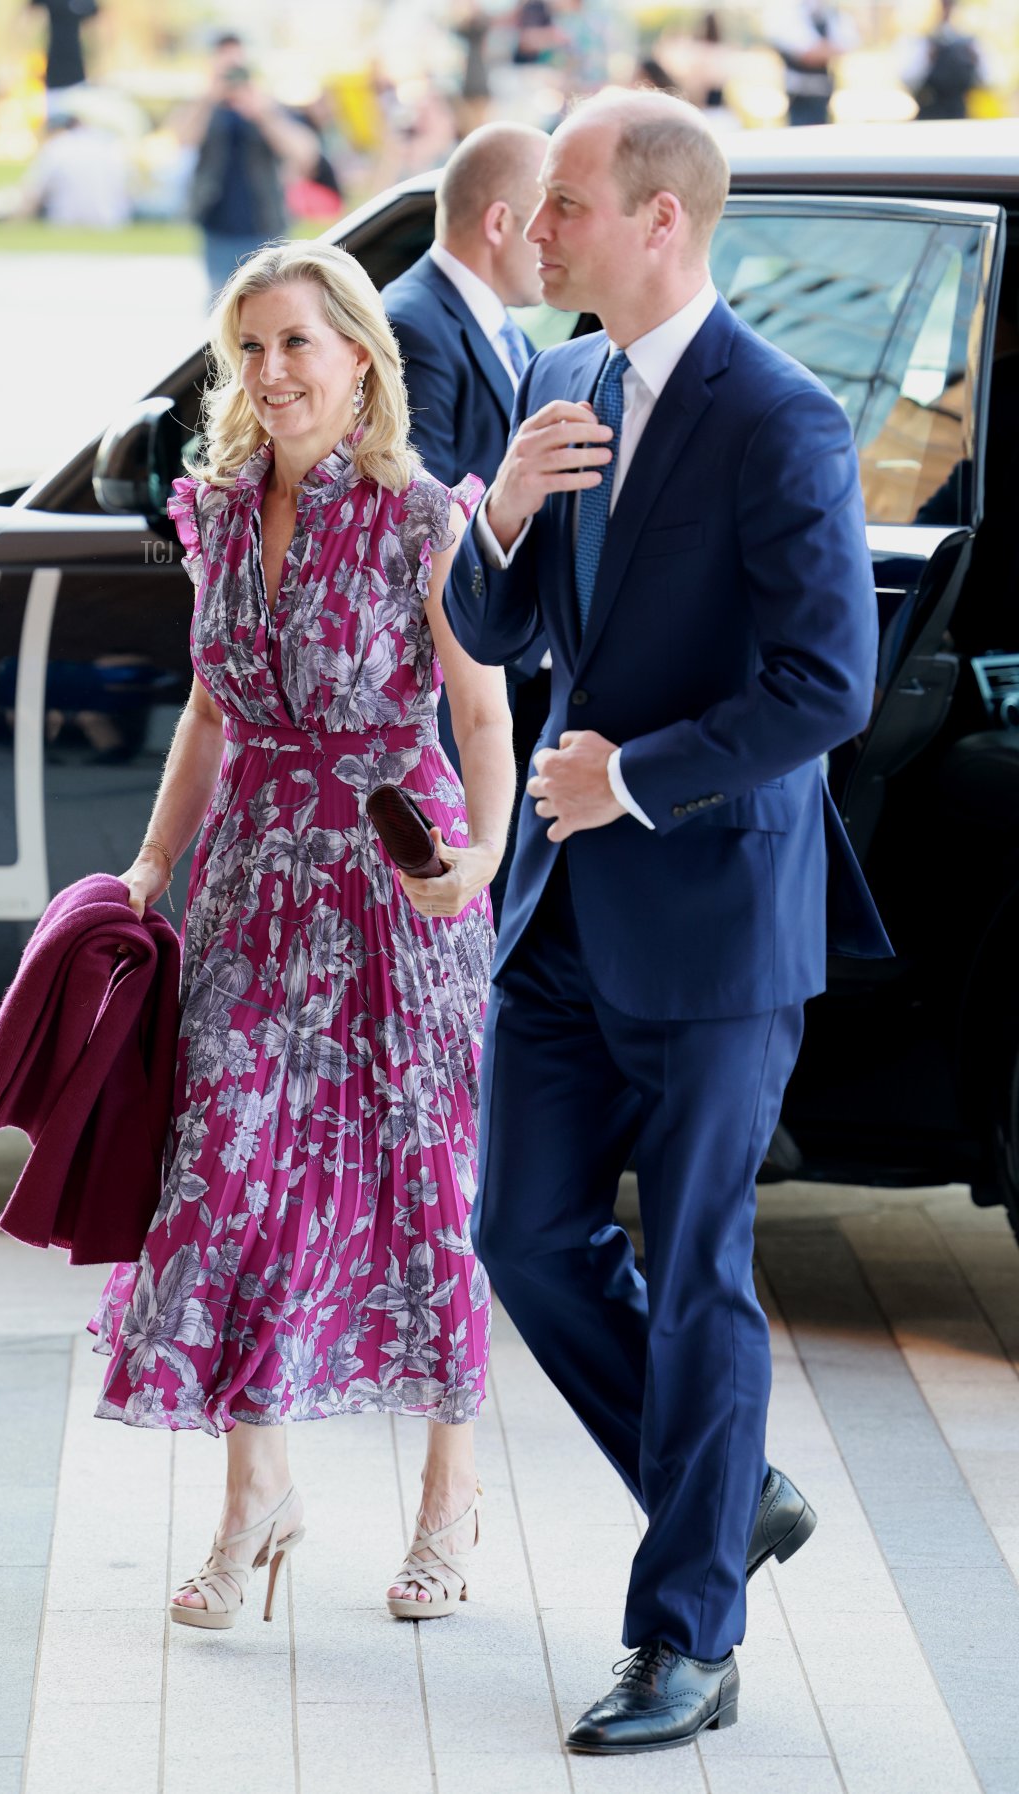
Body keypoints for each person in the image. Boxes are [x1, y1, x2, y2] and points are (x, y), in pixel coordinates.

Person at [445, 87, 891, 1753]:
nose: (535, 230)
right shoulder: (553, 380)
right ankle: (727, 1489)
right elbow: (500, 625)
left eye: (565, 203)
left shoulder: (783, 418)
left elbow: (826, 684)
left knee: (700, 1270)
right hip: (562, 909)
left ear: (660, 220)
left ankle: (687, 1634)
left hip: (713, 914)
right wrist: (497, 517)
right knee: (521, 1233)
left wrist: (631, 777)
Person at [88, 240, 515, 1628]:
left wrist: (481, 855)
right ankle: (256, 1494)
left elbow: (483, 712)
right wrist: (155, 859)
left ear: (360, 360)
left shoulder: (423, 519)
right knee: (225, 1173)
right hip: (250, 885)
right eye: (252, 347)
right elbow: (210, 711)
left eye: (297, 344)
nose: (272, 372)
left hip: (396, 884)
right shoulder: (215, 511)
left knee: (425, 1185)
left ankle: (449, 1499)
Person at [382, 122, 548, 906]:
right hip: (460, 677)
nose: (551, 236)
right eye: (549, 210)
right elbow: (421, 525)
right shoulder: (414, 325)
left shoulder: (504, 327)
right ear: (500, 222)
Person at [189, 38, 318, 295]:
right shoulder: (207, 109)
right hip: (217, 228)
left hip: (265, 226)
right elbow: (182, 139)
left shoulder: (268, 107)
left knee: (272, 299)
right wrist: (209, 97)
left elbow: (304, 153)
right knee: (220, 303)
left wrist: (262, 113)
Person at [20, 106, 131, 230]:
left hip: (64, 222)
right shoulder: (108, 145)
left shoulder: (57, 147)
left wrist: (15, 221)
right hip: (111, 222)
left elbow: (32, 194)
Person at [768, 1, 857, 127]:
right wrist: (827, 50)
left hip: (824, 95)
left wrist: (823, 50)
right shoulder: (787, 12)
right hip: (799, 97)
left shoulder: (830, 14)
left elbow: (847, 44)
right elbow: (808, 54)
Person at [902, 1, 984, 122]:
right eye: (944, 5)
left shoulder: (969, 43)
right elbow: (907, 80)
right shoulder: (922, 41)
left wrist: (975, 59)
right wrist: (926, 59)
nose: (947, 10)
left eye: (950, 6)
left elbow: (990, 80)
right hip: (930, 115)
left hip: (959, 115)